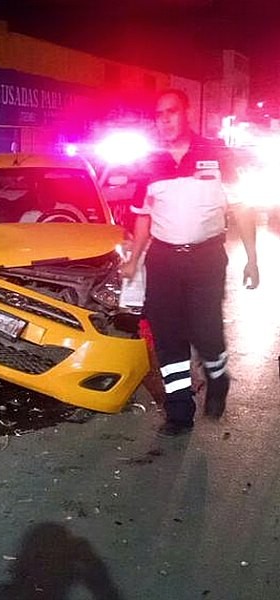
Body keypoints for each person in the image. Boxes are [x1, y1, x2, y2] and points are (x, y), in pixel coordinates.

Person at [121, 89, 259, 438]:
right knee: (168, 337)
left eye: (171, 112)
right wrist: (134, 261)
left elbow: (242, 208)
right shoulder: (150, 162)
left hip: (206, 258)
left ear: (187, 113)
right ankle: (179, 410)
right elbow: (142, 217)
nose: (164, 119)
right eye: (159, 113)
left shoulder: (215, 153)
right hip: (164, 259)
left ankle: (217, 377)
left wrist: (252, 259)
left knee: (206, 330)